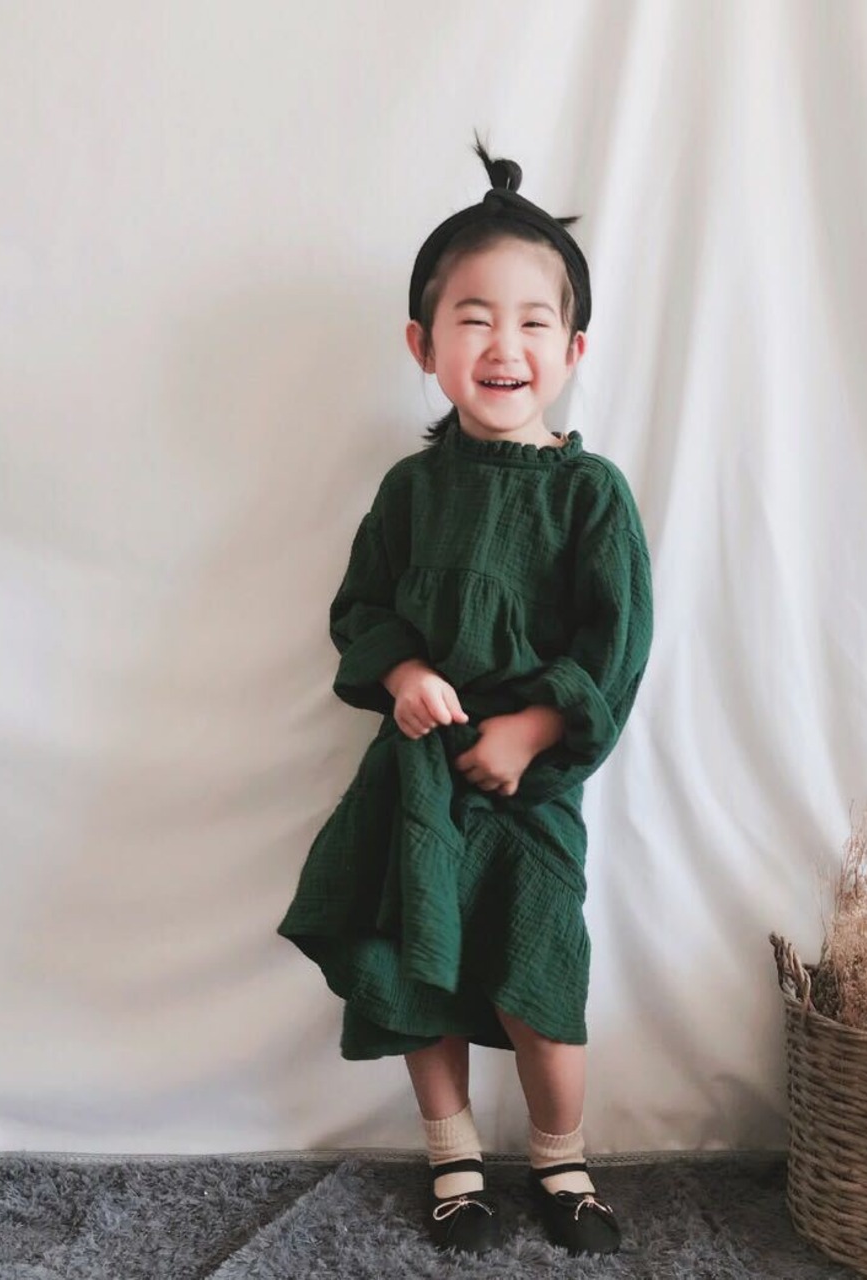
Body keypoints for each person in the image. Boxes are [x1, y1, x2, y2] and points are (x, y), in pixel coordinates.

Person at [278, 137, 653, 1258]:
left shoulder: (589, 495)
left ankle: (560, 1161)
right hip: (420, 780)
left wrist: (533, 728)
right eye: (474, 318)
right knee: (418, 968)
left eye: (533, 321)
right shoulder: (410, 490)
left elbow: (618, 643)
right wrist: (403, 676)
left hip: (528, 788)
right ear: (424, 344)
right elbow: (363, 608)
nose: (504, 344)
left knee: (541, 975)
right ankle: (453, 1159)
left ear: (572, 350)